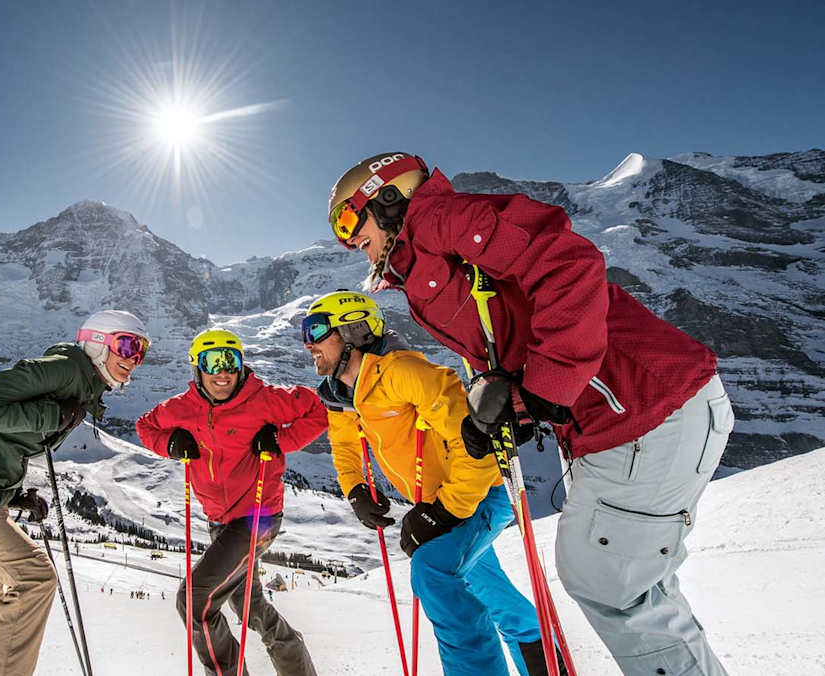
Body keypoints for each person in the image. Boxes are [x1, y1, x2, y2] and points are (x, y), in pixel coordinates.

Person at [326, 153, 733, 675]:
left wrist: (543, 387)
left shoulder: (446, 221)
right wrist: (502, 407)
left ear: (388, 198)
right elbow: (501, 337)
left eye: (348, 221)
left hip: (642, 406)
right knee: (626, 586)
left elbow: (568, 265)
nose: (349, 241)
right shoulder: (427, 262)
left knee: (608, 581)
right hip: (621, 421)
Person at [304, 290, 555, 676]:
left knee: (433, 570)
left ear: (353, 331)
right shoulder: (343, 393)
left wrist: (444, 512)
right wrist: (355, 489)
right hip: (446, 500)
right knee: (488, 590)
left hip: (481, 491)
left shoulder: (403, 372)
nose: (308, 344)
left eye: (316, 330)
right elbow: (345, 442)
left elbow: (476, 444)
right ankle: (548, 666)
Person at [0, 310, 150, 675]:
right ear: (97, 342)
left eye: (141, 351)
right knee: (34, 579)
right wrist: (52, 416)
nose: (134, 358)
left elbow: (4, 442)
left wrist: (15, 494)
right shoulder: (66, 368)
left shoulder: (84, 386)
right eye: (127, 345)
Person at [137, 328, 326, 676]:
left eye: (230, 361)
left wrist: (280, 440)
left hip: (259, 517)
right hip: (219, 522)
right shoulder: (182, 408)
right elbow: (146, 427)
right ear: (198, 367)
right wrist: (171, 445)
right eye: (212, 362)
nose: (222, 371)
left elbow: (317, 409)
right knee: (250, 608)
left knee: (194, 600)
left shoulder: (264, 400)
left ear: (241, 365)